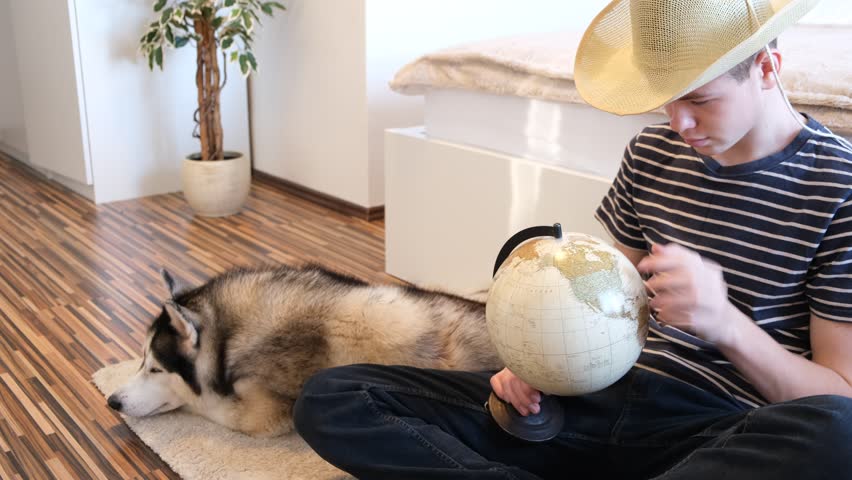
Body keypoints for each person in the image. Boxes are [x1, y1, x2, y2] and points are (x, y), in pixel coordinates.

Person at [293, 1, 852, 478]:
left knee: (838, 433)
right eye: (666, 99)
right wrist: (537, 365)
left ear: (767, 67)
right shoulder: (651, 154)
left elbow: (836, 392)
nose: (678, 123)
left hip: (716, 429)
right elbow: (596, 303)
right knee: (336, 398)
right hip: (595, 401)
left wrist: (724, 323)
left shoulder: (839, 189)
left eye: (700, 100)